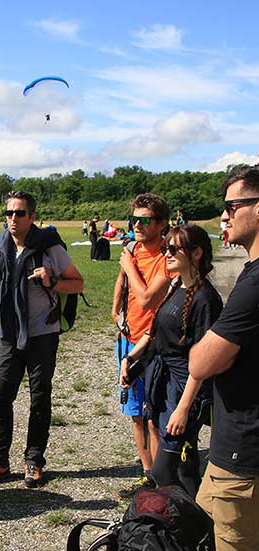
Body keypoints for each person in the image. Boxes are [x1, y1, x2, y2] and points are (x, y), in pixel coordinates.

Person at [189, 164, 259, 551]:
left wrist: (200, 351)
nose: (224, 215)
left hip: (242, 453)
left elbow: (204, 358)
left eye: (233, 206)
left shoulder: (254, 284)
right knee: (204, 532)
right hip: (235, 449)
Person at [0, 191, 84, 488]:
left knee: (39, 399)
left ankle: (34, 460)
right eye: (8, 213)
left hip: (42, 335)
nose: (12, 218)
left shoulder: (50, 247)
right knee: (0, 396)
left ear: (32, 217)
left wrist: (52, 280)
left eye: (19, 213)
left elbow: (78, 283)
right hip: (9, 334)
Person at [119, 225, 221, 496]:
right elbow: (153, 332)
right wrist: (130, 358)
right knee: (183, 467)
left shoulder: (205, 299)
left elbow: (204, 361)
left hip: (185, 389)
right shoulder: (177, 285)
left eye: (174, 249)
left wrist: (184, 408)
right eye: (166, 249)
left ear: (197, 253)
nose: (167, 254)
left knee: (166, 469)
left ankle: (181, 524)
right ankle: (190, 528)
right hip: (164, 382)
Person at [111, 193, 172, 499]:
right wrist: (114, 308)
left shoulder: (166, 257)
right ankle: (148, 475)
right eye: (133, 218)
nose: (136, 224)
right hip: (128, 339)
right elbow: (123, 281)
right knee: (135, 413)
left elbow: (148, 296)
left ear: (161, 223)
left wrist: (128, 264)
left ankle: (162, 480)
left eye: (145, 219)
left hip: (154, 345)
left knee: (154, 416)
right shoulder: (132, 250)